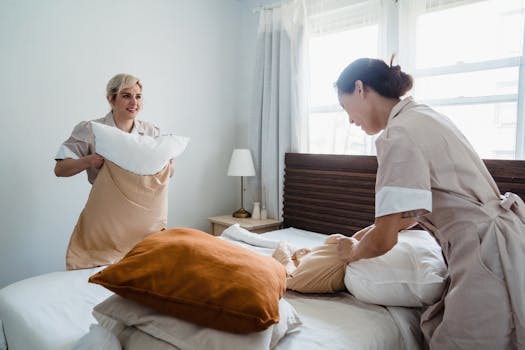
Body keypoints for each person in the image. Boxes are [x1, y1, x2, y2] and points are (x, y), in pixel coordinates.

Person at [333, 57, 525, 349]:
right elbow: (413, 212)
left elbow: (385, 241)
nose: (349, 119)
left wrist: (354, 252)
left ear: (360, 88)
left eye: (345, 107)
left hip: (485, 252)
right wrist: (372, 229)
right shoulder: (422, 116)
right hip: (499, 239)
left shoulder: (397, 136)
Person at [54, 73, 172, 183]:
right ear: (111, 98)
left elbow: (170, 172)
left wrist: (166, 163)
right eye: (126, 96)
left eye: (138, 96)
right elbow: (60, 169)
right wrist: (89, 160)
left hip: (146, 203)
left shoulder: (150, 131)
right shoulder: (91, 129)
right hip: (107, 202)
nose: (134, 102)